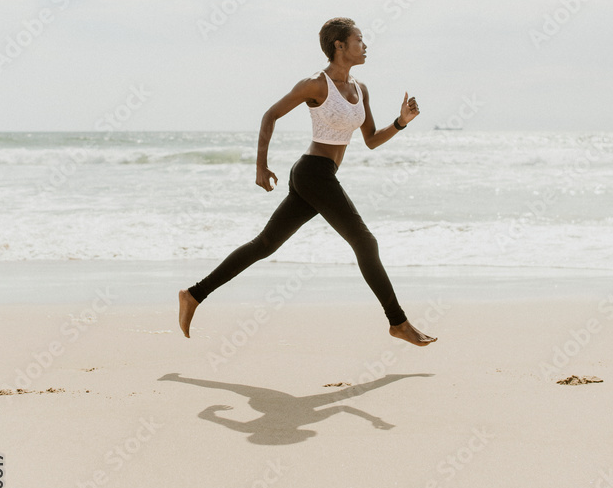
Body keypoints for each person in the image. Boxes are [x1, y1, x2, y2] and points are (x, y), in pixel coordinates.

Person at [178, 17, 437, 347]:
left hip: (319, 176)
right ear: (339, 45)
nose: (365, 44)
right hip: (313, 173)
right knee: (364, 242)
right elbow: (270, 115)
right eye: (359, 39)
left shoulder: (361, 89)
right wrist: (261, 166)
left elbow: (370, 139)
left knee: (265, 245)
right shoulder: (316, 84)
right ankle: (398, 323)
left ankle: (193, 295)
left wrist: (401, 122)